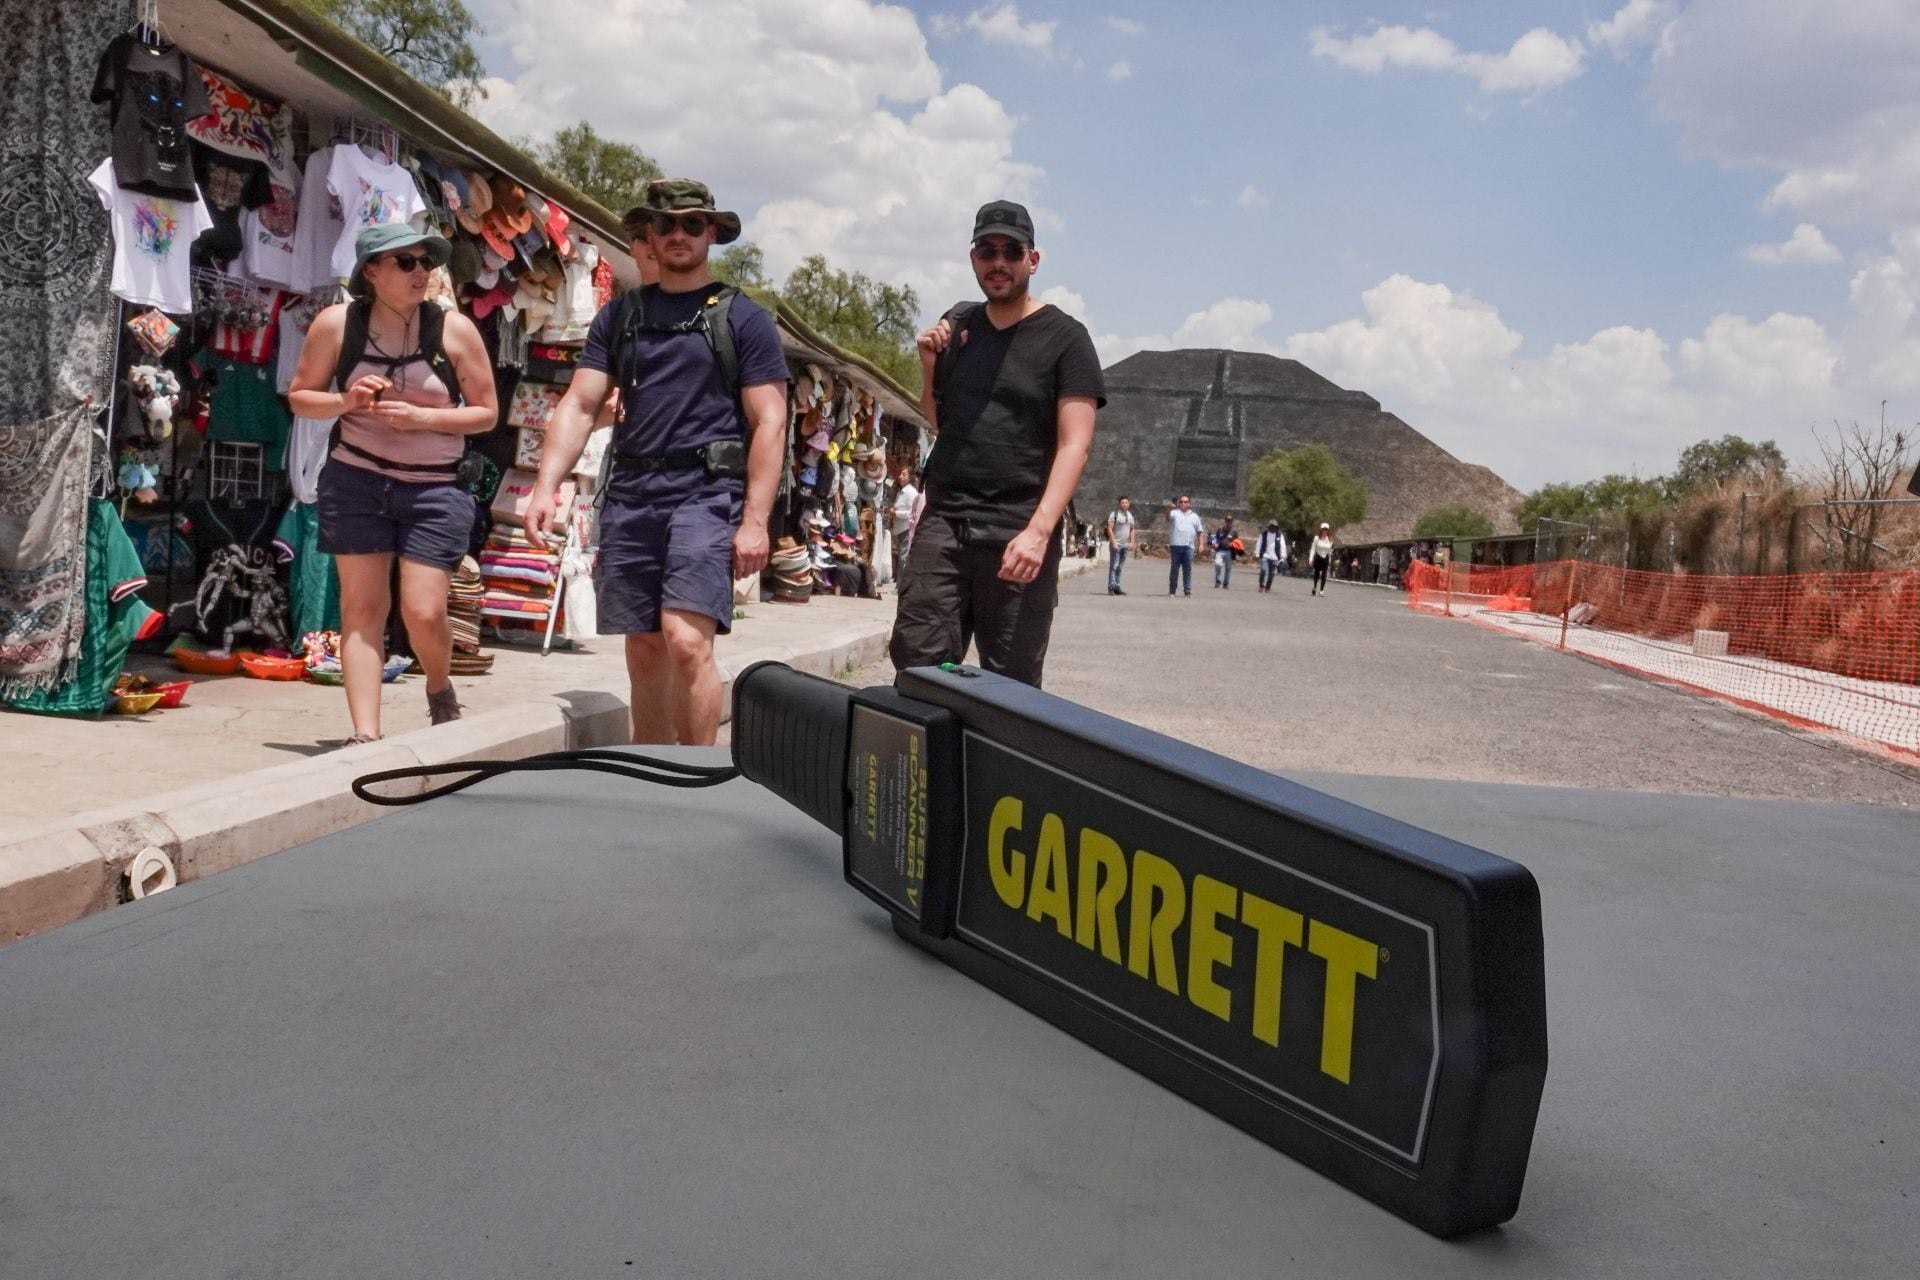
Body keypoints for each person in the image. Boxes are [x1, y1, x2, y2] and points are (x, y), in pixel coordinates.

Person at [525, 179, 789, 744]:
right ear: (649, 234)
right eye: (665, 225)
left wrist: (756, 521)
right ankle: (650, 774)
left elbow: (770, 419)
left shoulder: (743, 318)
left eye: (692, 224)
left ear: (711, 233)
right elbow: (579, 402)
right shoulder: (620, 316)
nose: (677, 234)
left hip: (706, 493)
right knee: (644, 642)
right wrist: (546, 486)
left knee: (687, 639)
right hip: (632, 493)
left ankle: (697, 771)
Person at [289, 224, 499, 746]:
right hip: (356, 480)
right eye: (405, 262)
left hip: (435, 489)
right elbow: (299, 397)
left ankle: (439, 686)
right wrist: (347, 402)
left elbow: (488, 414)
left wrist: (426, 421)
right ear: (371, 272)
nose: (421, 272)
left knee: (423, 611)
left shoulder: (454, 330)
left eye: (426, 262)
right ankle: (365, 737)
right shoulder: (337, 325)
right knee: (361, 609)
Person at [889, 199, 1104, 687]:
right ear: (973, 258)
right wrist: (928, 366)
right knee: (919, 669)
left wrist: (1038, 532)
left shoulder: (1067, 339)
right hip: (945, 521)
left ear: (1033, 259)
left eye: (1011, 251)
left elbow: (1076, 445)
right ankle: (932, 765)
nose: (998, 263)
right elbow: (939, 420)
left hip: (1017, 524)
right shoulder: (960, 325)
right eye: (987, 251)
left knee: (1011, 687)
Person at [1166, 494, 1204, 596]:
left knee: (1187, 569)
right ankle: (1172, 590)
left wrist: (1201, 545)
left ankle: (1187, 590)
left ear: (1189, 504)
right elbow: (1167, 518)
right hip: (1176, 545)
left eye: (1185, 502)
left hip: (1188, 547)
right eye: (1181, 501)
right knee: (1174, 569)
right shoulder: (1174, 513)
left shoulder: (1194, 516)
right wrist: (1169, 508)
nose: (1183, 503)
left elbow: (1199, 532)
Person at [888, 459, 919, 586]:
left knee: (903, 558)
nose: (900, 477)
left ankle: (902, 585)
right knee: (901, 557)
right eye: (900, 474)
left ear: (909, 477)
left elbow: (911, 513)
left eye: (904, 474)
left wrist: (896, 513)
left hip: (906, 528)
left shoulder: (911, 493)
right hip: (900, 528)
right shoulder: (902, 491)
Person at [1105, 494, 1135, 595]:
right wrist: (1113, 541)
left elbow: (1132, 529)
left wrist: (1132, 542)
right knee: (1114, 566)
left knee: (1120, 567)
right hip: (1116, 544)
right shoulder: (1114, 514)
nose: (1124, 504)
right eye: (1122, 503)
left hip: (1125, 545)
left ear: (1129, 504)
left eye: (1126, 502)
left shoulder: (1130, 515)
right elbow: (1109, 528)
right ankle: (1111, 587)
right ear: (1119, 504)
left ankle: (1117, 586)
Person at [1256, 520, 1287, 592]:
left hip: (1275, 557)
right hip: (1265, 556)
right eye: (1271, 526)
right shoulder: (1263, 534)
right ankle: (1261, 585)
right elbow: (1259, 543)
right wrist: (1257, 553)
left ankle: (1268, 587)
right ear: (1269, 527)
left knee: (1272, 573)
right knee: (1263, 570)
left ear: (1276, 527)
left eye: (1274, 527)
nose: (1273, 528)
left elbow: (1282, 545)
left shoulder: (1280, 535)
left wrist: (1283, 555)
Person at [1210, 515, 1239, 589]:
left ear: (1232, 522)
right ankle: (1218, 580)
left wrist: (1235, 548)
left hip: (1229, 551)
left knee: (1228, 568)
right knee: (1218, 564)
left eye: (1230, 521)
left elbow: (1237, 542)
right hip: (1220, 551)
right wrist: (1215, 543)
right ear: (1225, 521)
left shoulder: (1234, 531)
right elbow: (1215, 538)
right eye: (1227, 521)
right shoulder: (1220, 530)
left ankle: (1226, 583)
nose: (1228, 522)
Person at [1310, 522, 1334, 596]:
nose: (1325, 531)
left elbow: (1330, 551)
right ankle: (1314, 586)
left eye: (1326, 529)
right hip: (1318, 557)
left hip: (1325, 558)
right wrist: (1310, 559)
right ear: (1321, 530)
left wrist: (1329, 561)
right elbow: (1313, 549)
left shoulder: (1330, 539)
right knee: (1316, 574)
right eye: (1323, 529)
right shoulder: (1317, 538)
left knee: (1324, 575)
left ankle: (1321, 590)